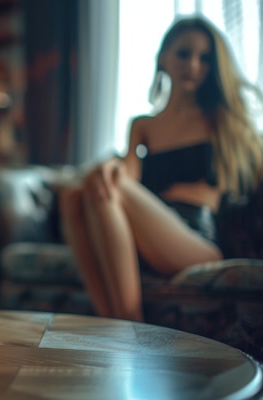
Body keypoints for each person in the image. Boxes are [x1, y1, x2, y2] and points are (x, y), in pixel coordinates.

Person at [58, 16, 263, 322]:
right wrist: (109, 167)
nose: (193, 65)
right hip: (145, 235)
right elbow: (127, 178)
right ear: (164, 58)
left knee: (103, 182)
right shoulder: (143, 126)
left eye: (204, 58)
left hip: (195, 239)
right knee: (74, 194)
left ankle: (132, 323)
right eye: (184, 53)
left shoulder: (222, 121)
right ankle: (109, 323)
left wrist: (107, 173)